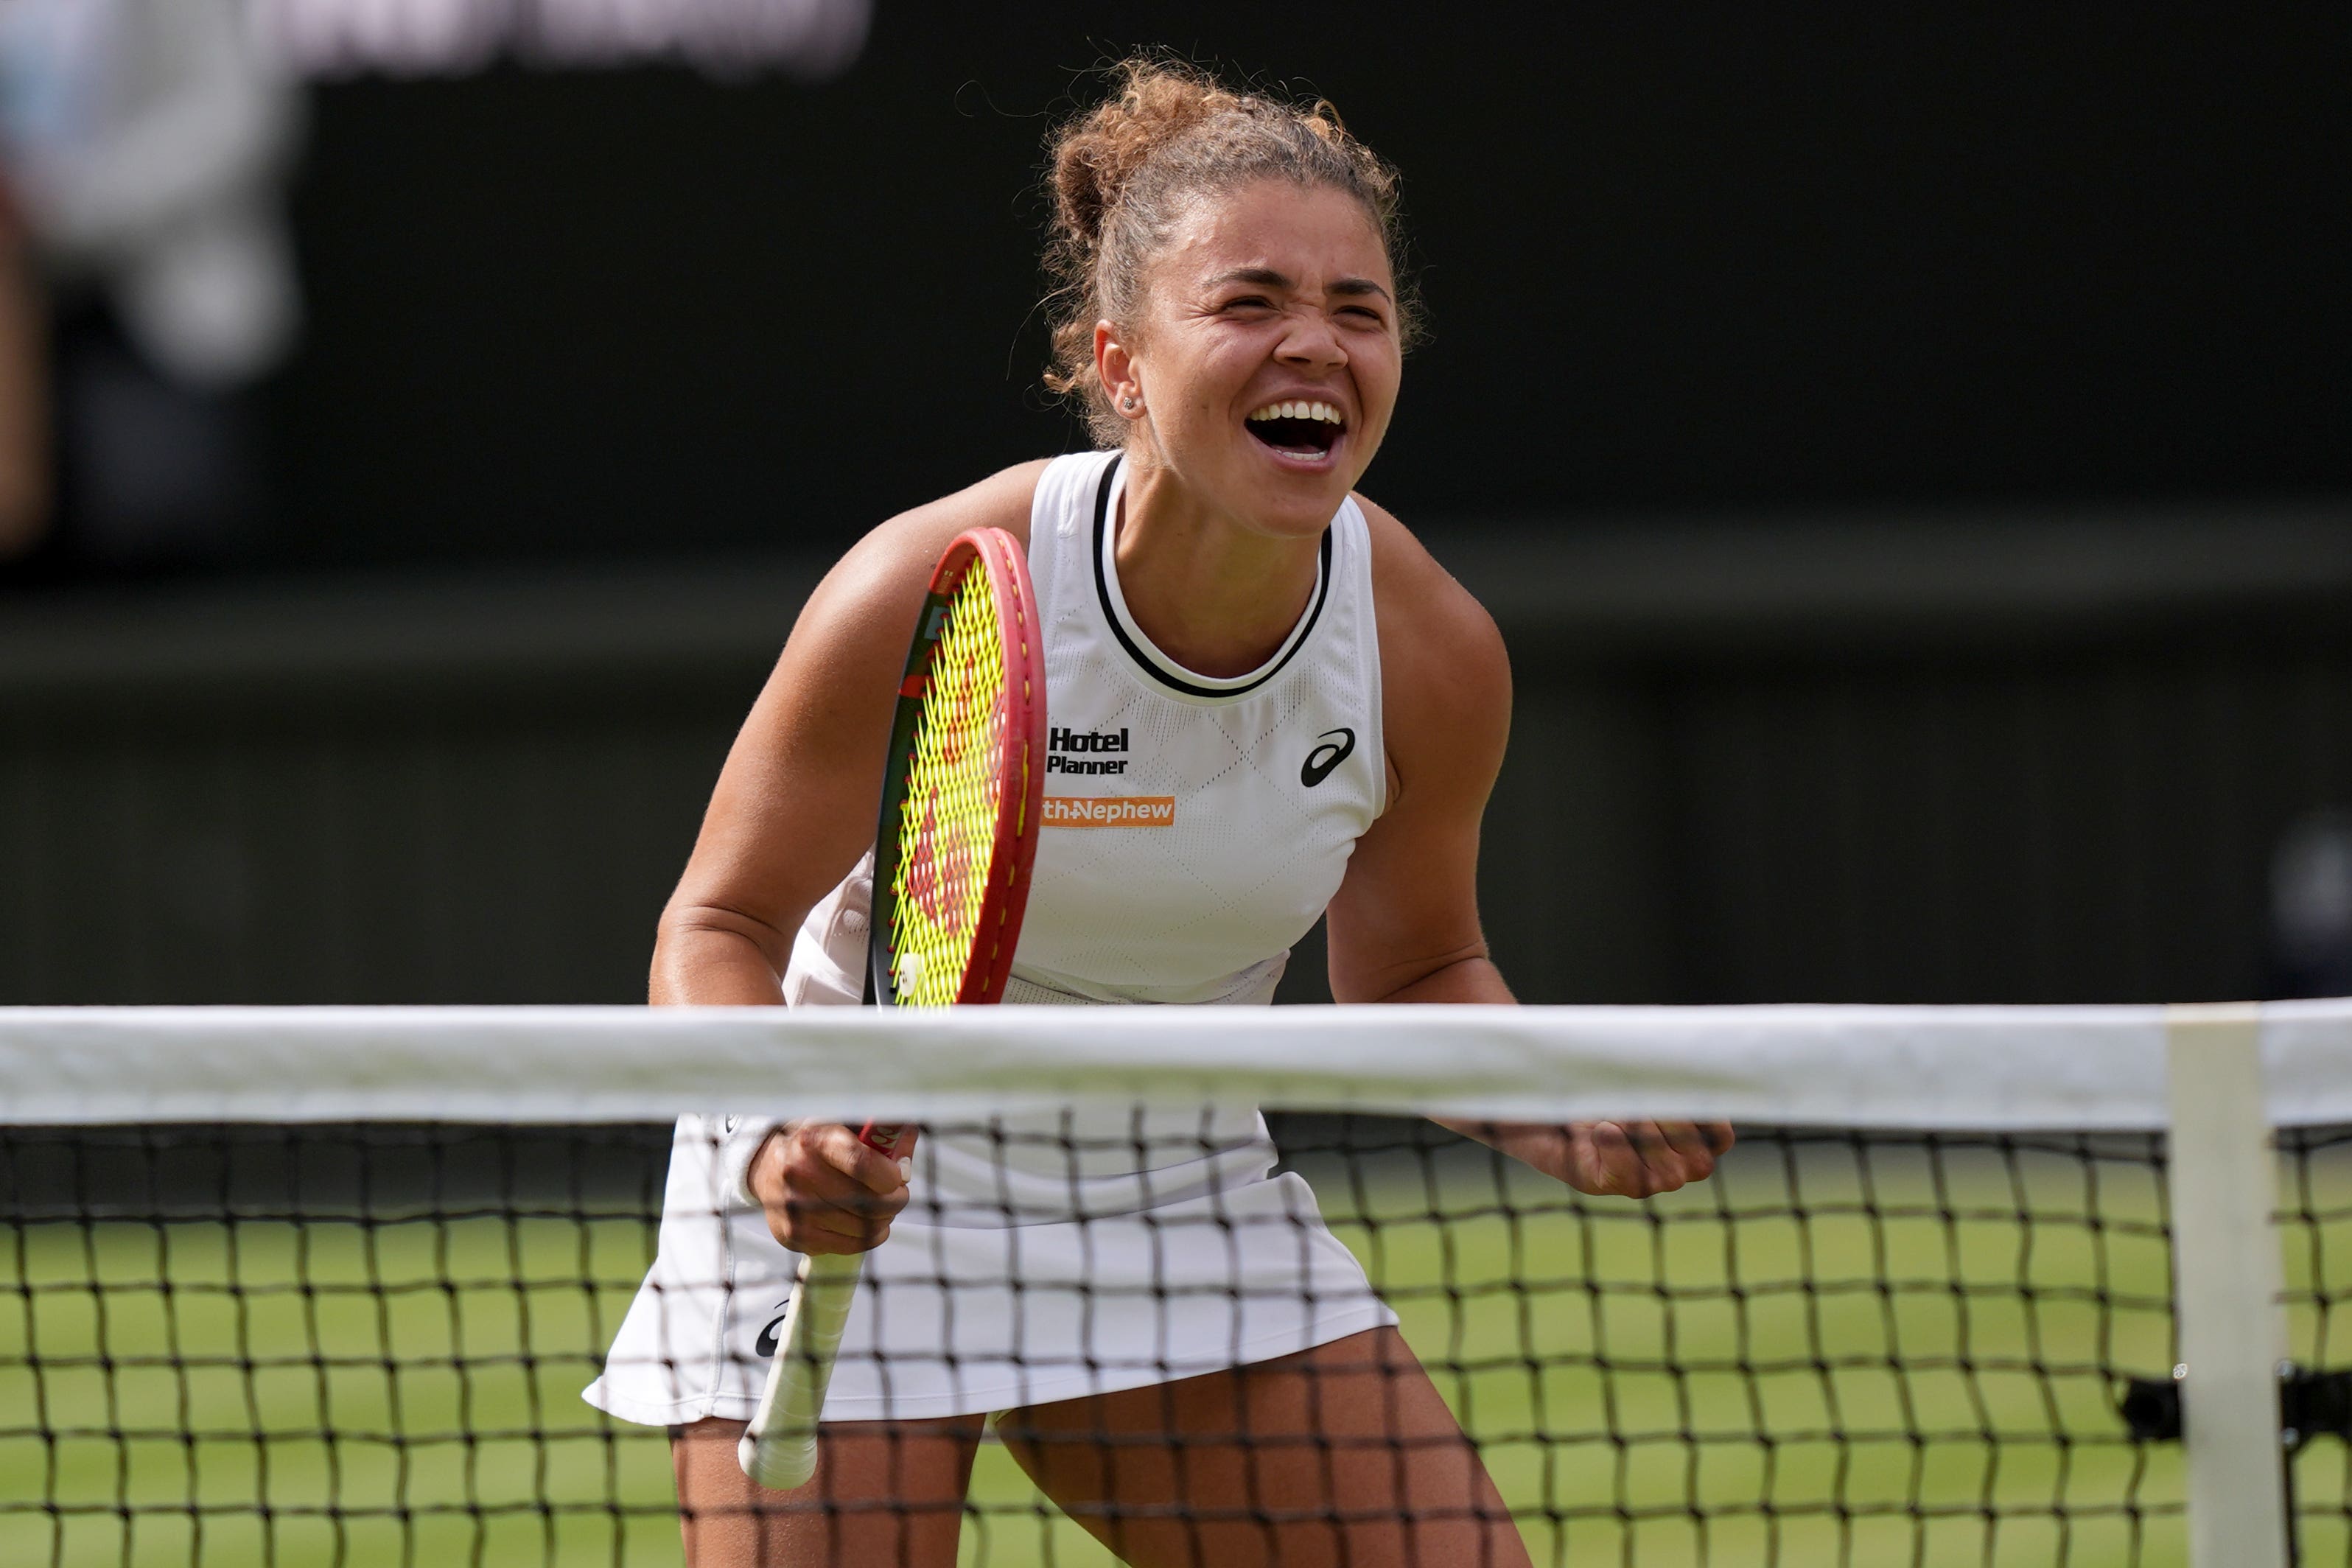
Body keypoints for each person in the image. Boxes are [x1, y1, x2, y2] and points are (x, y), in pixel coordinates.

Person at [584, 59, 1734, 1568]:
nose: (1311, 342)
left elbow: (1411, 968)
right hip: (860, 1177)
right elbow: (720, 921)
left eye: (1358, 309)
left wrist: (1552, 1104)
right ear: (1122, 363)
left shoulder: (1429, 652)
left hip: (1170, 1183)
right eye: (1249, 302)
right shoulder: (935, 578)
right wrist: (780, 1131)